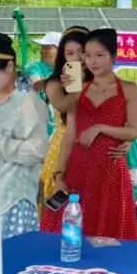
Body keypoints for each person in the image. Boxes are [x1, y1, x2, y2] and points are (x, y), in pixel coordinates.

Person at [42, 28, 137, 241]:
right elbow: (70, 135)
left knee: (110, 238)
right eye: (88, 55)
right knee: (70, 234)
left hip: (110, 172)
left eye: (99, 55)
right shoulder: (79, 91)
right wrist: (59, 174)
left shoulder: (129, 89)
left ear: (113, 56)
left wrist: (101, 128)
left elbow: (133, 131)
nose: (92, 61)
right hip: (78, 169)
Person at [0, 34, 49, 244]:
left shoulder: (28, 103)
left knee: (9, 258)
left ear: (10, 67)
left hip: (11, 202)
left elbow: (37, 152)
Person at [39, 27, 88, 208]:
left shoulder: (102, 82)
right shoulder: (55, 84)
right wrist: (76, 88)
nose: (78, 58)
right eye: (70, 53)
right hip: (63, 150)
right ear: (63, 56)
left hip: (94, 148)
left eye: (82, 51)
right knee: (64, 207)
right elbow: (65, 106)